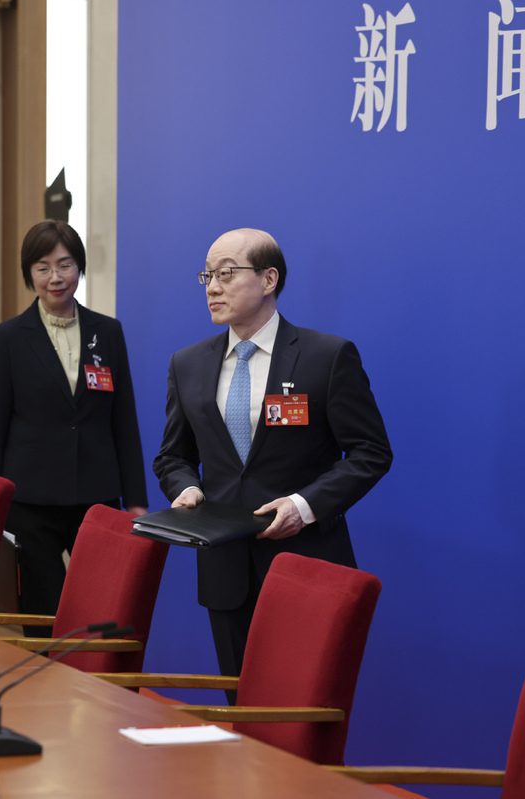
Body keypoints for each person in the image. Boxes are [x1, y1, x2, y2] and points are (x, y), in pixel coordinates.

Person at [153, 228, 391, 690]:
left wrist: (304, 506)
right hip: (226, 571)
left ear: (268, 279)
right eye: (207, 276)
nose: (212, 287)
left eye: (226, 273)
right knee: (242, 705)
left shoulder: (326, 357)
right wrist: (187, 488)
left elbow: (371, 452)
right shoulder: (187, 364)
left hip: (307, 562)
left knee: (303, 704)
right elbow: (172, 457)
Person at [0, 220, 148, 636]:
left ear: (80, 268)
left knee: (101, 612)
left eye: (65, 265)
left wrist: (136, 500)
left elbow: (123, 419)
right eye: (43, 267)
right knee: (44, 615)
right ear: (29, 274)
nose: (55, 277)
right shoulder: (8, 338)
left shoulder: (108, 332)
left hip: (97, 496)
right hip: (31, 502)